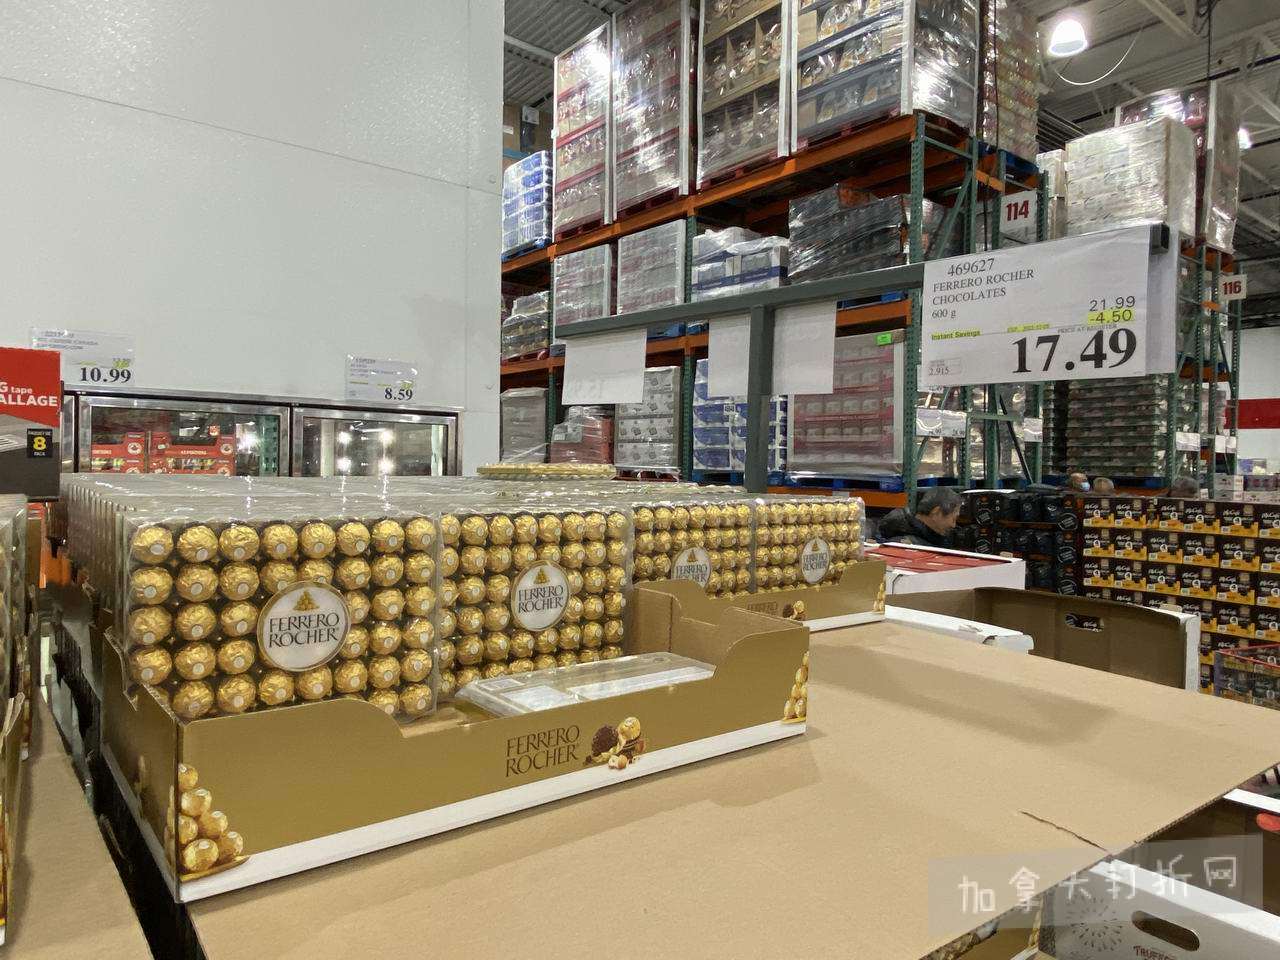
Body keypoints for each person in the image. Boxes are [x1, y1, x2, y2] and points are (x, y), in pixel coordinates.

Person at [877, 487, 961, 548]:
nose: (953, 525)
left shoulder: (930, 540)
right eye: (954, 519)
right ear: (936, 512)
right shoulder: (903, 546)